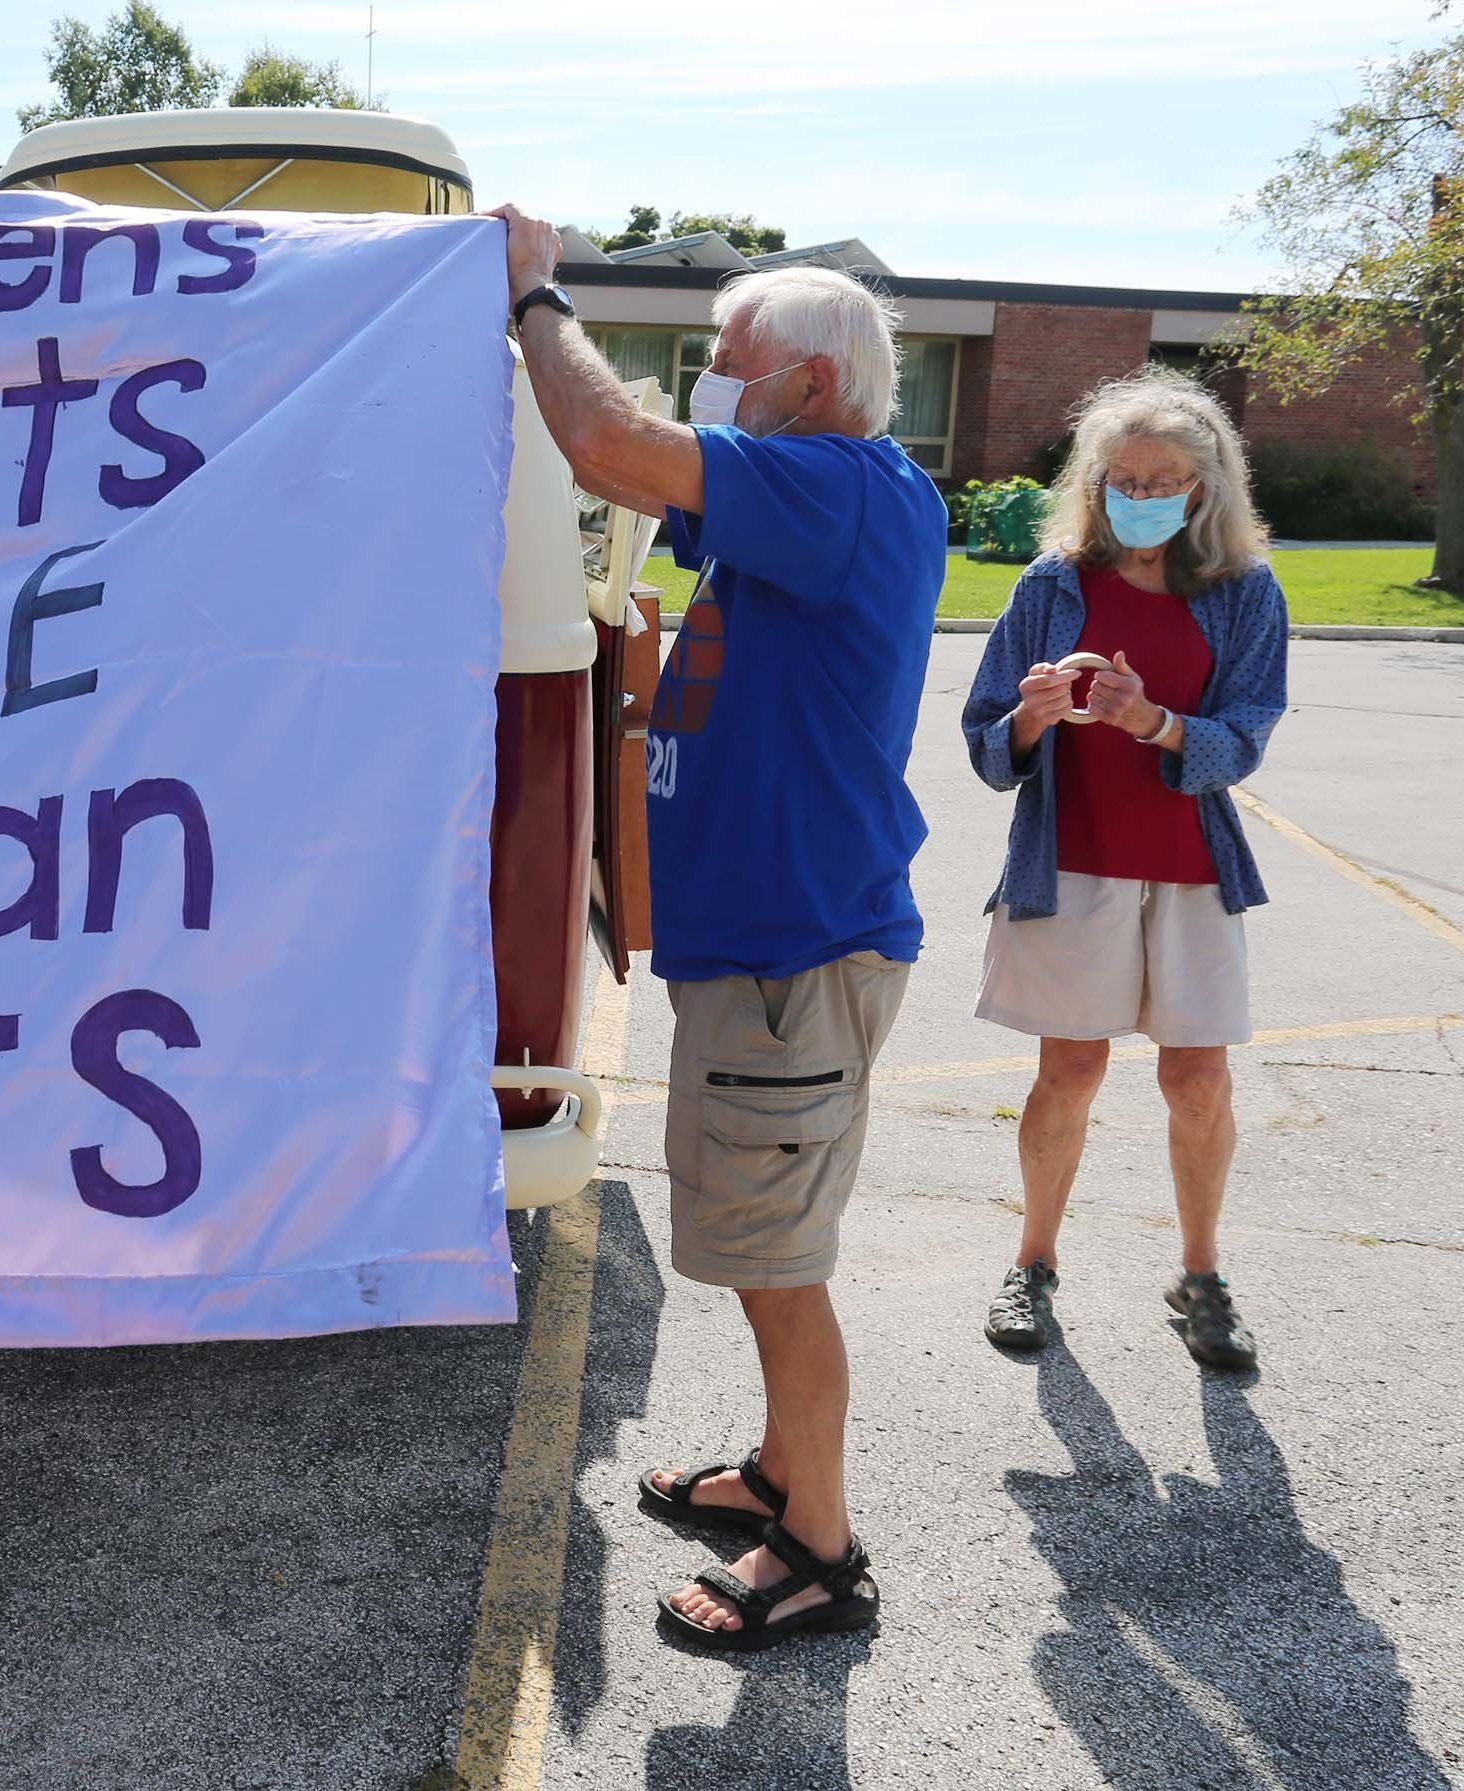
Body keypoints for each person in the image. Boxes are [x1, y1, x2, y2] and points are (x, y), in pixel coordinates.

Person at [492, 207, 945, 1651]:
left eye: (728, 358)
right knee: (762, 1238)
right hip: (754, 950)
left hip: (792, 957)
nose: (708, 378)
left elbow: (611, 446)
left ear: (810, 383)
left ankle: (820, 1544)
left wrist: (536, 297)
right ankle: (774, 1470)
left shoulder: (845, 488)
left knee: (776, 1257)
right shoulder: (801, 499)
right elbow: (637, 483)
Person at [962, 369, 1288, 1372]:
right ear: (1094, 481)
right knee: (1070, 1069)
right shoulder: (1051, 584)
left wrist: (1153, 722)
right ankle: (1033, 1262)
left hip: (1191, 867)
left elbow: (1248, 734)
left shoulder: (1243, 592)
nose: (1141, 491)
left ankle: (1200, 1277)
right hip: (1073, 862)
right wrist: (1032, 717)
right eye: (1123, 475)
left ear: (1206, 488)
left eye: (1166, 477)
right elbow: (983, 742)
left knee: (1198, 1082)